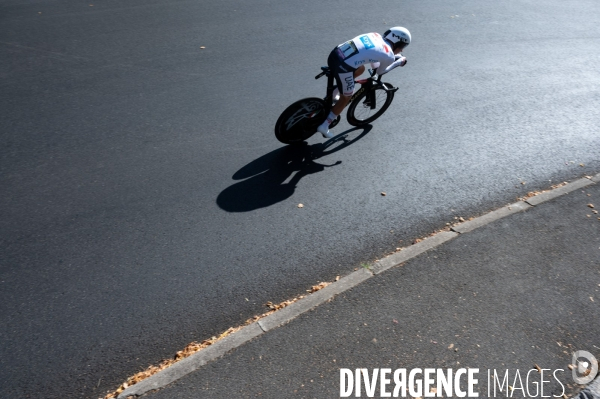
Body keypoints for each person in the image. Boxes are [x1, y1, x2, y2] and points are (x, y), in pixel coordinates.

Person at [317, 27, 411, 138]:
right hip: (343, 67)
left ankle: (334, 92)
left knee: (360, 69)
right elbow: (381, 71)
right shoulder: (389, 55)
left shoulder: (374, 35)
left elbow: (375, 58)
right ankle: (324, 125)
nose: (402, 50)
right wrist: (398, 62)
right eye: (402, 46)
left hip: (335, 55)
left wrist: (392, 57)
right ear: (397, 43)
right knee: (346, 97)